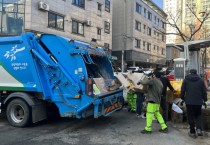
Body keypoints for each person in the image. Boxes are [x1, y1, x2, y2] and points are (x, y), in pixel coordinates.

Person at [180, 69, 207, 138]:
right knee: (198, 115)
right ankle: (199, 129)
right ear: (196, 73)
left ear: (190, 73)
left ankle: (192, 132)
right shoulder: (201, 80)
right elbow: (204, 91)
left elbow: (182, 90)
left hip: (189, 101)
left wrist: (182, 98)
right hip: (198, 102)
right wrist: (205, 99)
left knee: (190, 116)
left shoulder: (186, 80)